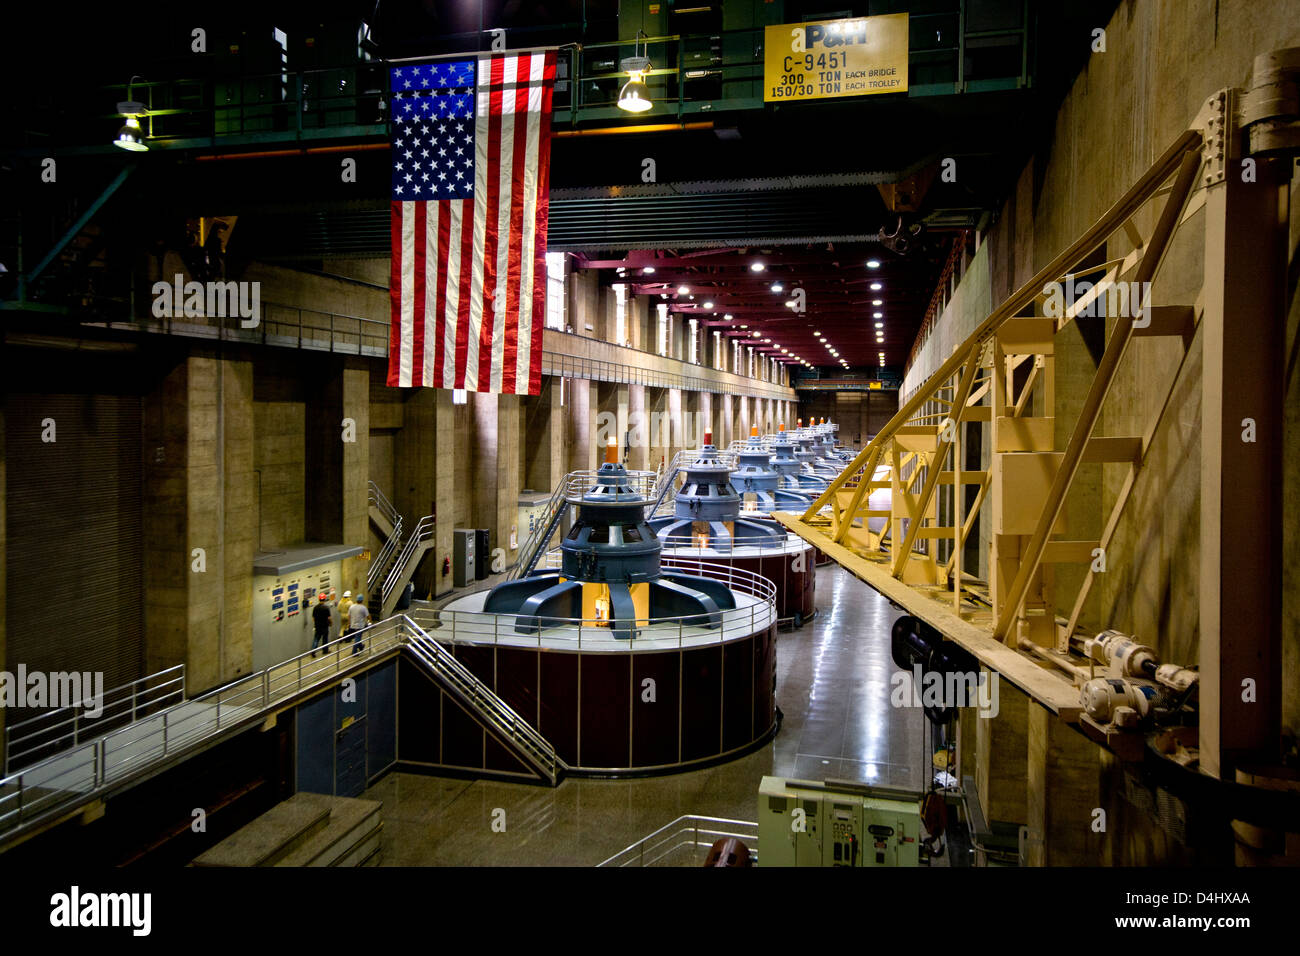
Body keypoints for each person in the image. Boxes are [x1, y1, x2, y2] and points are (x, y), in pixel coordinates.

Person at [310, 592, 332, 656]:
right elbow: (329, 618)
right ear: (324, 599)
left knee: (316, 639)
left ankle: (313, 651)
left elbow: (313, 618)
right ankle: (325, 650)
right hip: (325, 626)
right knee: (325, 639)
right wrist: (331, 623)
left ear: (319, 599)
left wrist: (316, 624)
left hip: (317, 626)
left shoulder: (315, 608)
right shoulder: (326, 608)